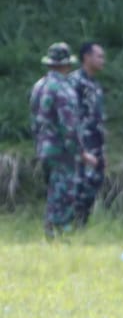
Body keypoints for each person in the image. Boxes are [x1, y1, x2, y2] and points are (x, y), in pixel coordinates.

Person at [29, 42, 87, 238]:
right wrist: (79, 150)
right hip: (62, 149)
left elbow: (35, 120)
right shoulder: (63, 89)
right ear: (66, 65)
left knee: (53, 190)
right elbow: (69, 125)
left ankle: (51, 230)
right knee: (64, 192)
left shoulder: (39, 86)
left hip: (43, 148)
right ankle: (58, 233)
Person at [69, 41, 107, 226]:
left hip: (96, 145)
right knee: (78, 188)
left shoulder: (95, 85)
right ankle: (71, 227)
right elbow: (68, 117)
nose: (103, 60)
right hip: (81, 146)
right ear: (87, 57)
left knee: (92, 187)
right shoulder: (74, 83)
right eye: (99, 56)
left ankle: (81, 226)